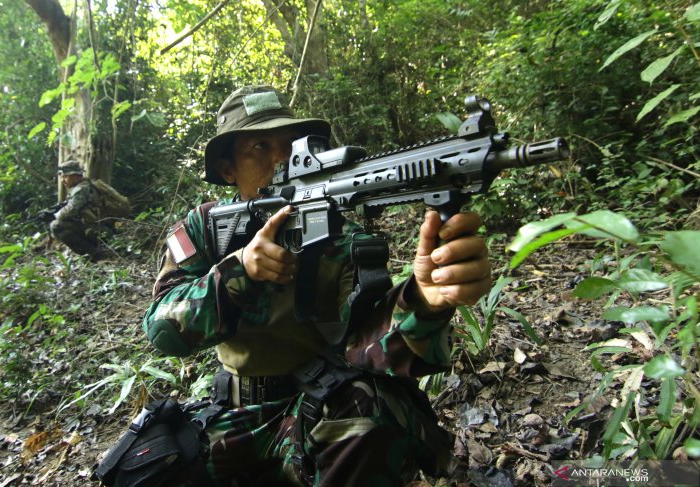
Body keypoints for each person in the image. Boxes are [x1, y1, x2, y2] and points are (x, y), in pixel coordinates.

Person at [141, 85, 492, 485]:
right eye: (260, 145)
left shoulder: (340, 235)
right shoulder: (204, 228)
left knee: (371, 408)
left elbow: (369, 352)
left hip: (314, 409)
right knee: (145, 463)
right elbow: (162, 331)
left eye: (290, 144)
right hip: (233, 417)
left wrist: (424, 300)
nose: (280, 158)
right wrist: (239, 270)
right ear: (228, 168)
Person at [49, 160, 110, 259]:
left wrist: (55, 215)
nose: (62, 180)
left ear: (75, 176)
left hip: (101, 231)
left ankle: (95, 254)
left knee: (56, 226)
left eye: (65, 176)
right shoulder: (88, 184)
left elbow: (70, 210)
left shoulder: (81, 189)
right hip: (102, 229)